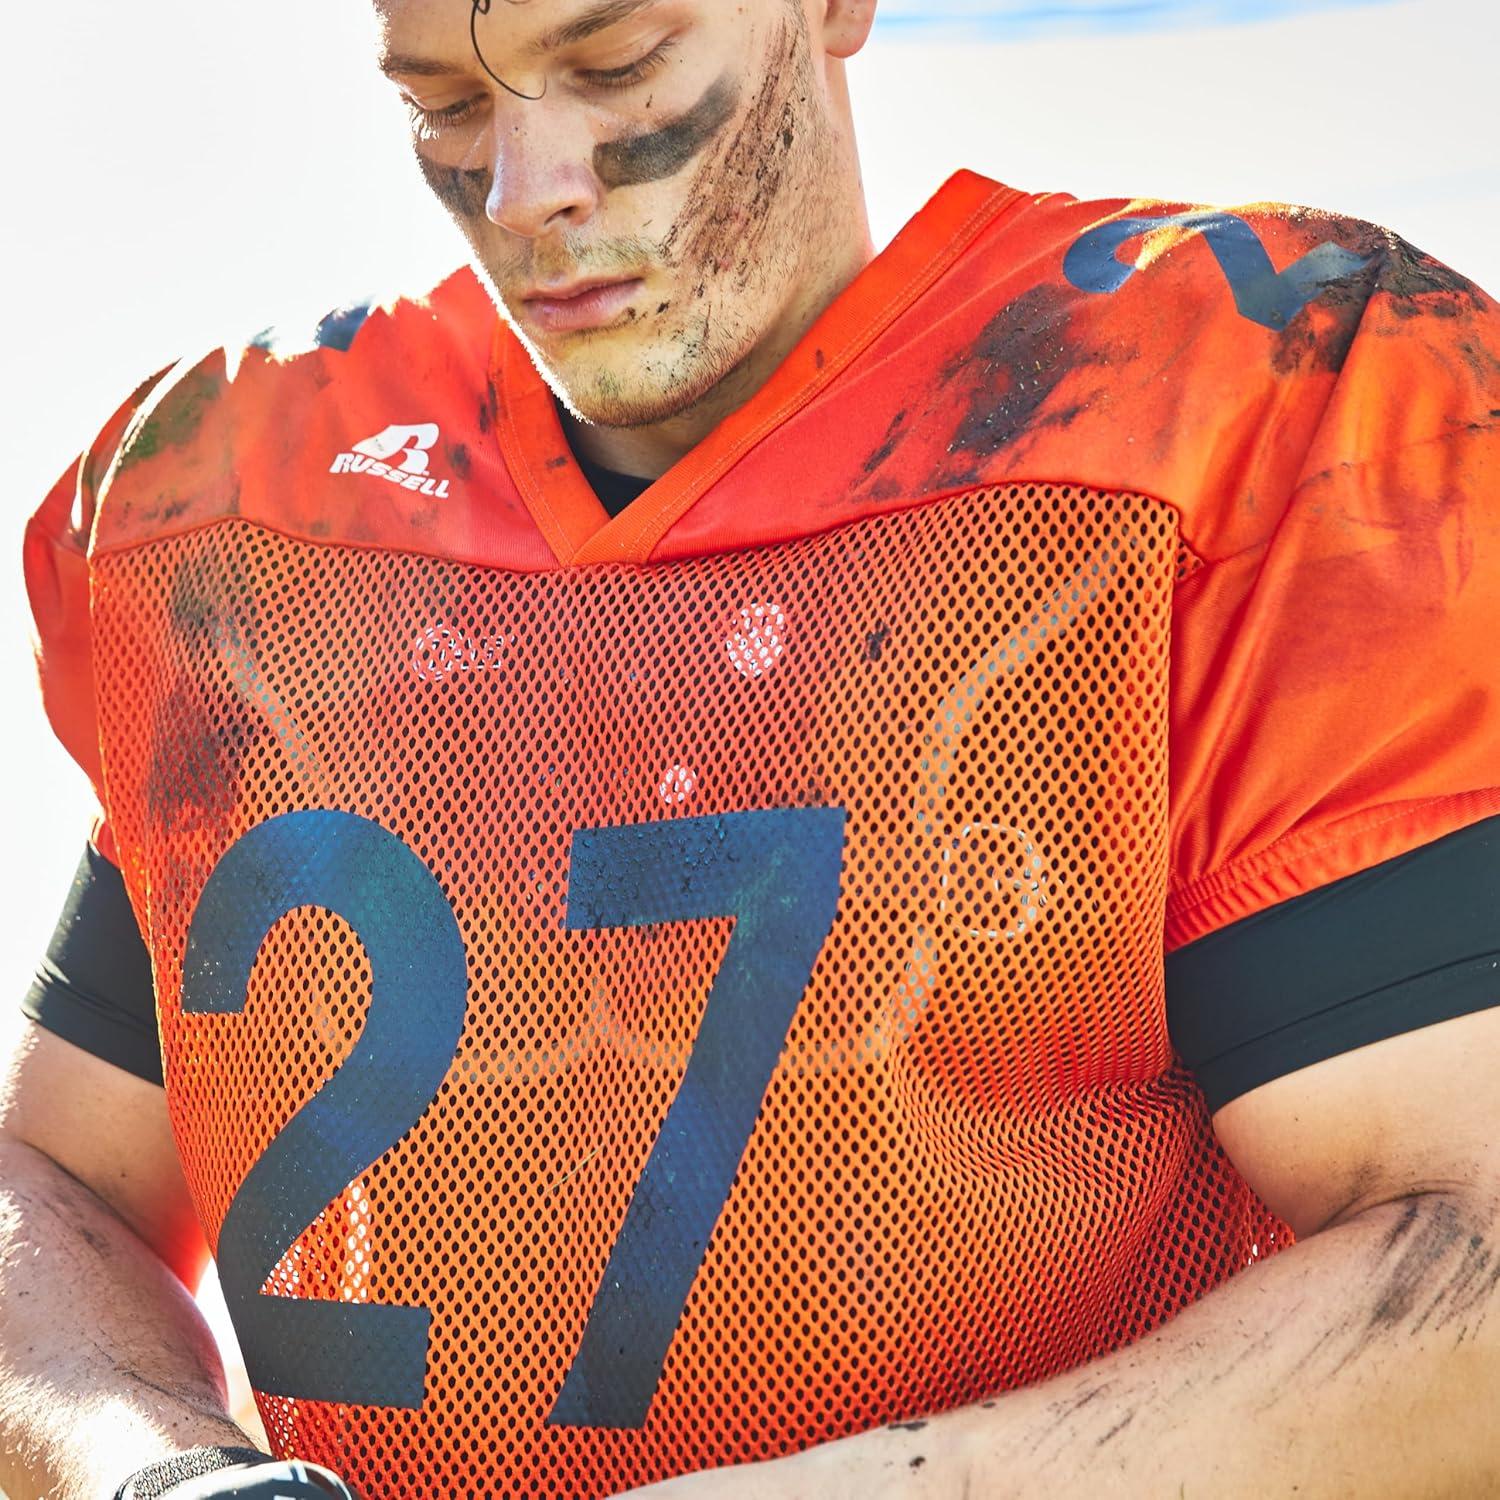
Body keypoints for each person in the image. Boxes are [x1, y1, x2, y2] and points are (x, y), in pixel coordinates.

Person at [3, 0, 1499, 1496]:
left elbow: (1468, 1262)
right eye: (442, 101)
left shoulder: (1229, 397)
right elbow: (59, 1182)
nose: (526, 190)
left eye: (615, 64)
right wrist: (163, 1475)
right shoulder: (231, 498)